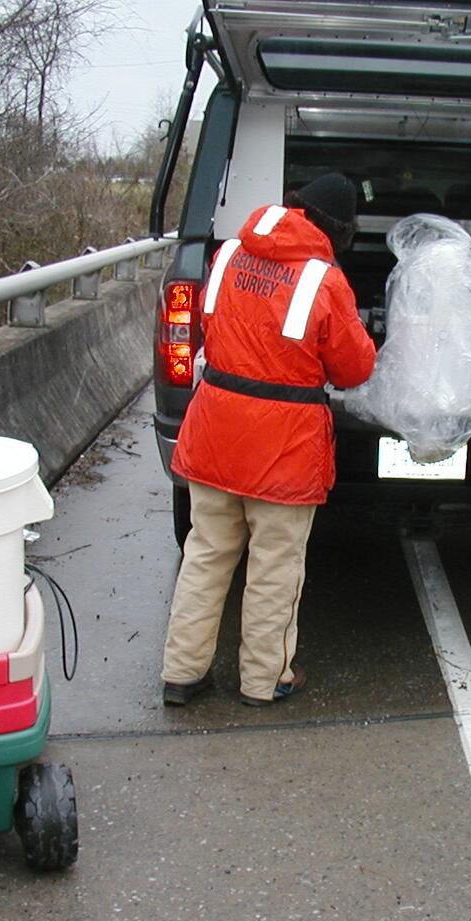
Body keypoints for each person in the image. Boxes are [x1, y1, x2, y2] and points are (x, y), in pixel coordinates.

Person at [161, 173, 376, 707]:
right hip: (282, 447)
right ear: (339, 228)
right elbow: (353, 369)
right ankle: (264, 680)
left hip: (214, 431)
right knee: (275, 568)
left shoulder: (231, 252)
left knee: (206, 554)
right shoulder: (325, 280)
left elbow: (211, 326)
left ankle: (181, 674)